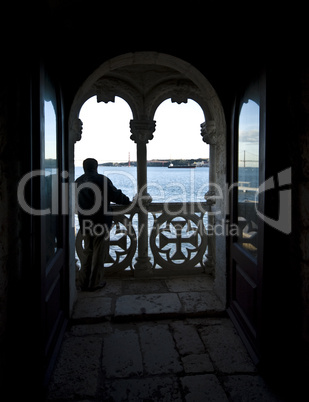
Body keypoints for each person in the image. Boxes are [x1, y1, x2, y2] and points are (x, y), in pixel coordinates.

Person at [75, 158, 131, 291]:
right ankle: (95, 282)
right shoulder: (101, 179)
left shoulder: (77, 181)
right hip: (100, 221)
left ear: (84, 167)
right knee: (99, 253)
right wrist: (127, 201)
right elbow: (115, 196)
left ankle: (83, 282)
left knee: (87, 252)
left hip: (85, 221)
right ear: (96, 167)